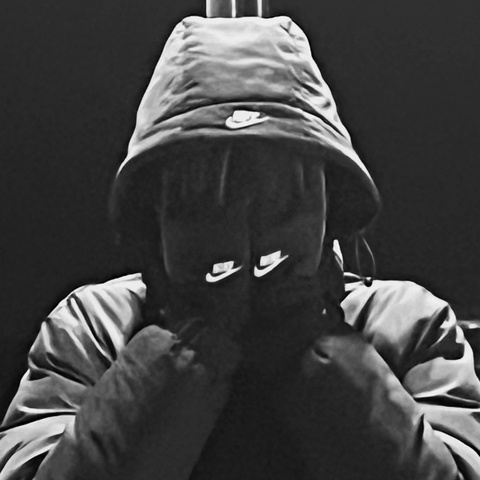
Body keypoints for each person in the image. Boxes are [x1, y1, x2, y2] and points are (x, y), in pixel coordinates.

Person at [1, 15, 480, 480]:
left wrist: (315, 350)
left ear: (329, 207)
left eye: (281, 196)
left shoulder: (409, 324)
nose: (245, 229)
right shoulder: (91, 329)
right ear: (154, 213)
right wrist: (178, 358)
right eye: (203, 196)